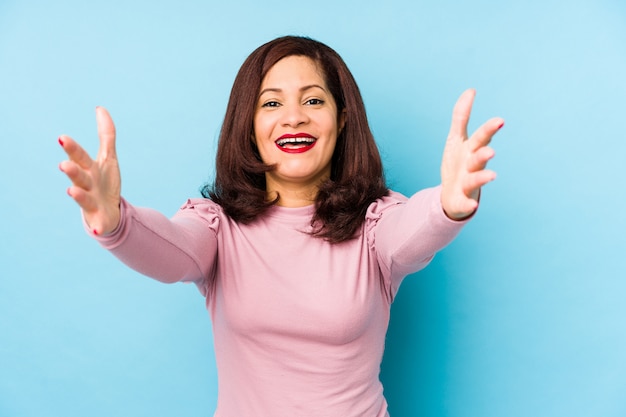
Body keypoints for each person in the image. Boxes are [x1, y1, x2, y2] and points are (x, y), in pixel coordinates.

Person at [58, 36, 503, 417]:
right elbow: (169, 251)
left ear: (342, 119)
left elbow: (412, 231)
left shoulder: (375, 222)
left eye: (313, 100)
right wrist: (113, 219)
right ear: (249, 125)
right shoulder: (216, 227)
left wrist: (449, 204)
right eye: (271, 103)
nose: (294, 117)